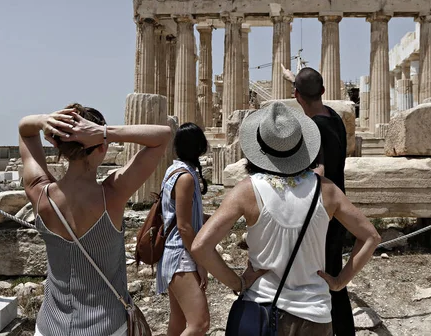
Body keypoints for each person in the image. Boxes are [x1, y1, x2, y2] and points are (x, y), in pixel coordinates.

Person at [191, 102, 380, 336]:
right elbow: (371, 236)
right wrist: (340, 282)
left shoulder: (247, 191)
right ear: (301, 147)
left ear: (260, 148)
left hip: (262, 310)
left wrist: (237, 282)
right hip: (315, 315)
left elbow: (200, 247)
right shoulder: (327, 191)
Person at [19, 103, 171, 336]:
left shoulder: (39, 193)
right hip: (105, 326)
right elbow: (162, 135)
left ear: (58, 145)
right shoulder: (112, 194)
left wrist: (44, 120)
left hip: (49, 326)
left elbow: (25, 130)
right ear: (101, 147)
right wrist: (104, 133)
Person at [290, 66, 354, 335]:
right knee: (332, 276)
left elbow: (318, 171)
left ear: (296, 96)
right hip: (338, 207)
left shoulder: (313, 128)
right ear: (323, 92)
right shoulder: (335, 118)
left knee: (324, 281)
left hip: (321, 214)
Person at [156, 123, 210, 336]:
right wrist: (201, 262)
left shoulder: (173, 170)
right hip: (181, 256)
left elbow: (187, 217)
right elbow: (185, 227)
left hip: (173, 254)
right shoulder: (185, 178)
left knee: (178, 323)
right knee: (200, 324)